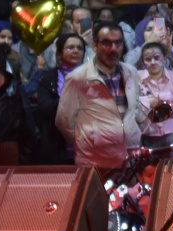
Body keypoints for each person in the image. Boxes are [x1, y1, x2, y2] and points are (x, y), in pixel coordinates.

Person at [57, 21, 147, 169]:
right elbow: (64, 121)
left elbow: (134, 109)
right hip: (94, 161)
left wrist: (135, 134)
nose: (113, 48)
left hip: (130, 159)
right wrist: (89, 142)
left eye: (118, 43)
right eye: (106, 43)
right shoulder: (77, 77)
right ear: (94, 46)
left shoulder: (130, 72)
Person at [22, 30, 84, 164]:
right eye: (70, 48)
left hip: (86, 143)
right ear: (60, 53)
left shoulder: (92, 76)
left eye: (80, 48)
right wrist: (69, 99)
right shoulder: (48, 77)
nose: (76, 51)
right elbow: (44, 108)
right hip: (56, 142)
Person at [137, 41, 173, 159]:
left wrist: (164, 99)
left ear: (165, 58)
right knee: (150, 168)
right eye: (148, 59)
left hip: (171, 132)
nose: (153, 62)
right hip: (147, 133)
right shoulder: (137, 77)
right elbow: (132, 103)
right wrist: (148, 102)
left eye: (157, 57)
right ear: (142, 62)